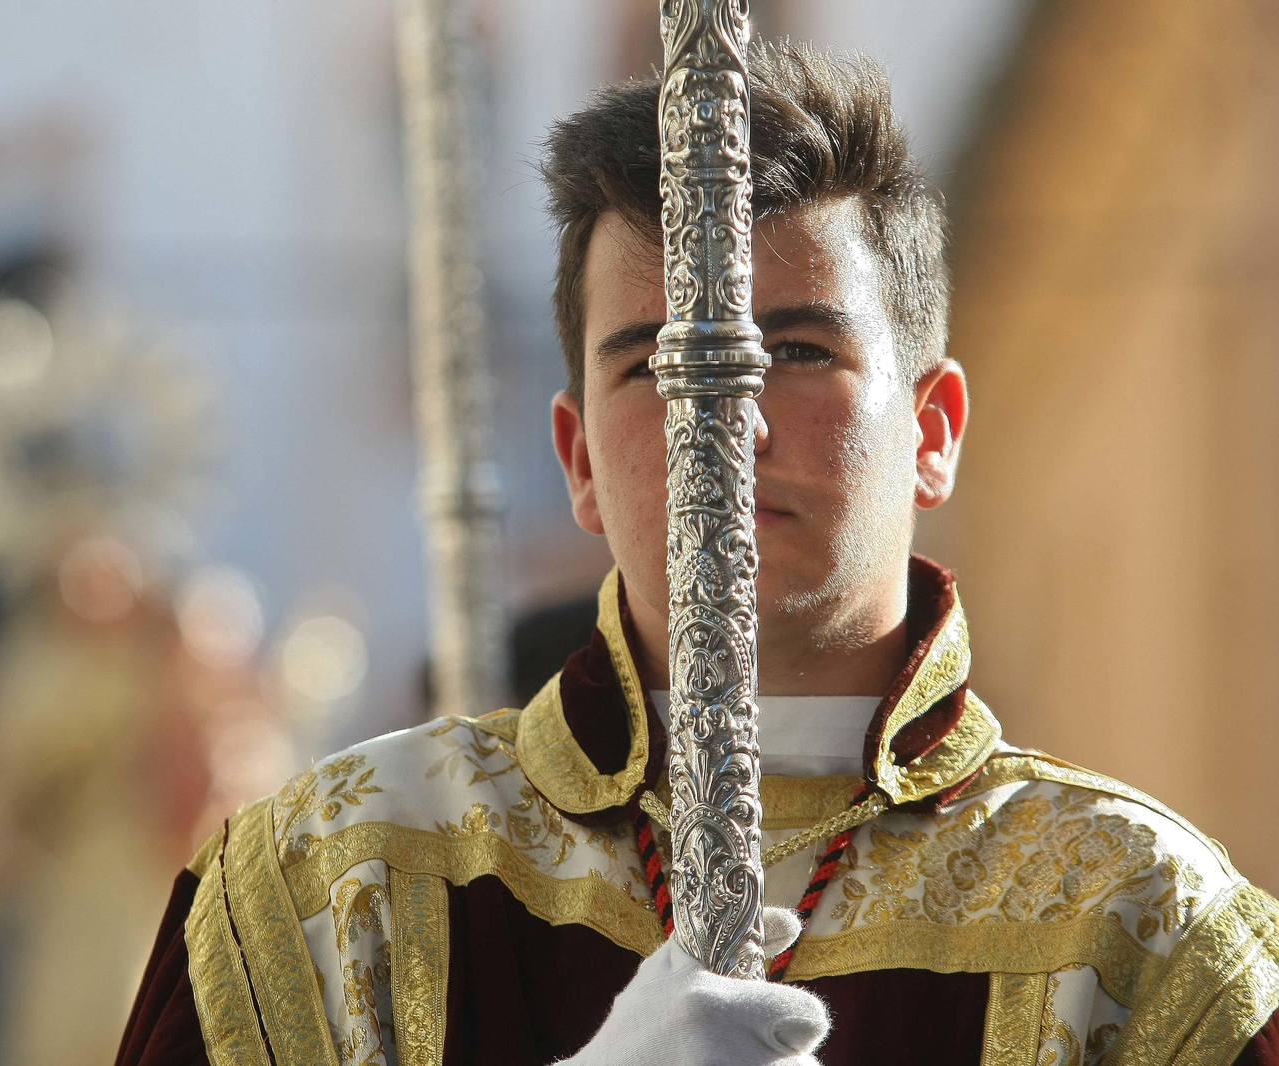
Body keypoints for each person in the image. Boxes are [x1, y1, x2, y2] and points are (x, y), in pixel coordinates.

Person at [114, 42, 1279, 1066]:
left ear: (931, 431)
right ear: (576, 458)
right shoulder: (336, 882)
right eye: (651, 366)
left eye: (802, 349)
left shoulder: (1144, 925)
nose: (726, 420)